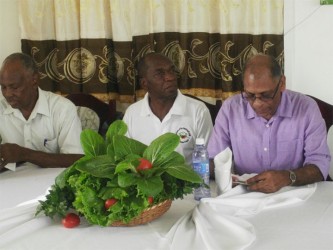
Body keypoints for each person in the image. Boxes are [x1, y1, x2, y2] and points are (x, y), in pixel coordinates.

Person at [207, 54, 331, 193]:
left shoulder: (306, 108)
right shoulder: (231, 109)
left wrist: (287, 177)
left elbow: (320, 165)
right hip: (244, 195)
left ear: (282, 83)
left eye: (266, 95)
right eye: (250, 95)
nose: (257, 103)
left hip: (293, 193)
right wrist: (226, 176)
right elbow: (213, 159)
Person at [122, 52, 213, 164]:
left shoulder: (198, 111)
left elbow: (209, 159)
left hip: (187, 180)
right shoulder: (132, 113)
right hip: (146, 180)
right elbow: (126, 159)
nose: (170, 77)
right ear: (145, 84)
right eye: (159, 74)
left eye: (172, 71)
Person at [0, 52, 83, 172]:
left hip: (53, 185)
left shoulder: (62, 109)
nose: (7, 94)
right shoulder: (1, 109)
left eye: (14, 87)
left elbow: (77, 160)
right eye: (3, 87)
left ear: (34, 80)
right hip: (11, 183)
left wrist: (24, 154)